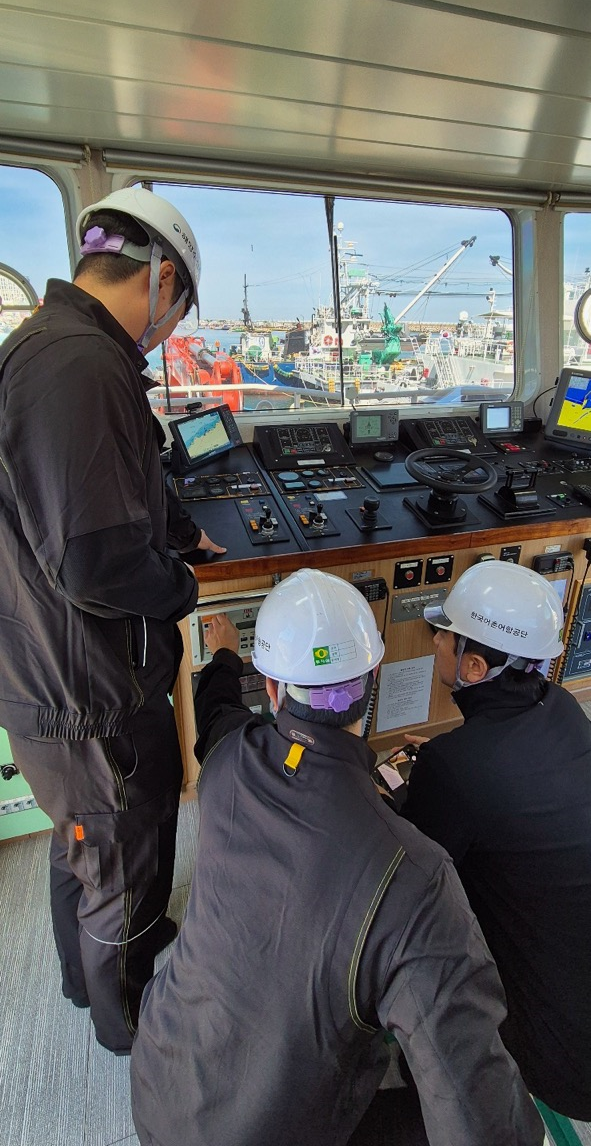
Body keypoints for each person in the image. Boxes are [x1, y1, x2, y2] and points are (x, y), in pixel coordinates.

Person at [130, 568, 543, 1146]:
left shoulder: (226, 761)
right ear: (373, 676)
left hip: (157, 1086)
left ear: (271, 690)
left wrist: (225, 656)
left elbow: (217, 708)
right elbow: (481, 1125)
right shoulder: (417, 880)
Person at [0, 186, 225, 1055]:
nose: (170, 326)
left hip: (60, 671)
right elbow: (93, 560)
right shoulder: (79, 366)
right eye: (179, 308)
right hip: (87, 685)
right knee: (117, 857)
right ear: (162, 278)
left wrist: (174, 530)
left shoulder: (64, 353)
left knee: (85, 842)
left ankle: (81, 972)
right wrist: (180, 588)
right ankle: (127, 1018)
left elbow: (101, 494)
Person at [399, 560, 591, 1119]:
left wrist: (390, 795)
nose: (436, 641)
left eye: (445, 636)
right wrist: (445, 762)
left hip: (564, 1061)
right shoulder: (562, 706)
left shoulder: (457, 769)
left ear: (474, 665)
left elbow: (414, 873)